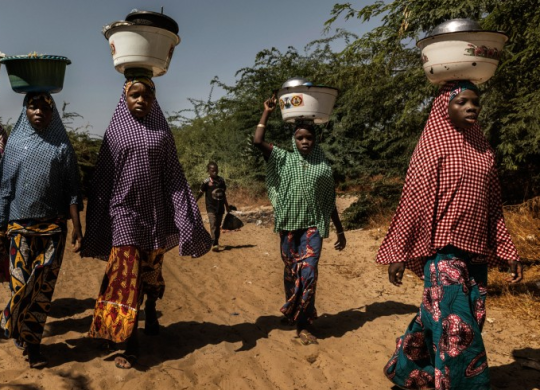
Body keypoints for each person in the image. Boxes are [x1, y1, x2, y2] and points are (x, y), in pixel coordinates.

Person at [376, 81, 523, 389]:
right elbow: (414, 201)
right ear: (445, 107)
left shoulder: (484, 152)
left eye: (476, 102)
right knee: (457, 329)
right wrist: (400, 253)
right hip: (443, 253)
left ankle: (411, 371)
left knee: (455, 318)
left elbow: (493, 206)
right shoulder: (432, 147)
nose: (472, 107)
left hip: (477, 252)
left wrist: (508, 252)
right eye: (463, 102)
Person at [81, 74, 213, 370]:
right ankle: (127, 342)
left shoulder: (162, 134)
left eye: (147, 96)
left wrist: (184, 213)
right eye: (134, 95)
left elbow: (174, 176)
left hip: (154, 214)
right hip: (123, 213)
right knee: (123, 278)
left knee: (150, 273)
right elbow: (102, 178)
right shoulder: (114, 133)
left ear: (154, 101)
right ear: (124, 98)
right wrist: (94, 221)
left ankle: (151, 306)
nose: (141, 100)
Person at [253, 96, 347, 345]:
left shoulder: (322, 167)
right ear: (294, 140)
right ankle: (294, 312)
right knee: (291, 273)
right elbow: (258, 141)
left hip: (313, 228)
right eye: (300, 138)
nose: (305, 142)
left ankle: (304, 324)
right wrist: (267, 112)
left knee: (308, 274)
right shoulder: (283, 159)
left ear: (315, 140)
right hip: (288, 226)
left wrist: (339, 230)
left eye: (309, 138)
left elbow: (328, 201)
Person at [0, 92, 83, 368]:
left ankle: (32, 345)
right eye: (33, 106)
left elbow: (73, 191)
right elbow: (5, 190)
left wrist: (77, 227)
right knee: (20, 285)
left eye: (45, 108)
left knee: (43, 289)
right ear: (25, 109)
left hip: (52, 230)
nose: (39, 111)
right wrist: (1, 226)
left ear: (53, 113)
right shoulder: (14, 145)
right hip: (19, 229)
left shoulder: (61, 147)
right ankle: (20, 328)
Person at [196, 161, 230, 252]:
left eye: (216, 170)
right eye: (212, 171)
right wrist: (194, 202)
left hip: (220, 207)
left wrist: (227, 206)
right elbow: (200, 193)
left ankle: (216, 241)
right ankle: (214, 243)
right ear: (208, 171)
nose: (214, 172)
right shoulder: (206, 182)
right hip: (211, 207)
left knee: (218, 225)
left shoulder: (221, 181)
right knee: (213, 224)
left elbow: (223, 194)